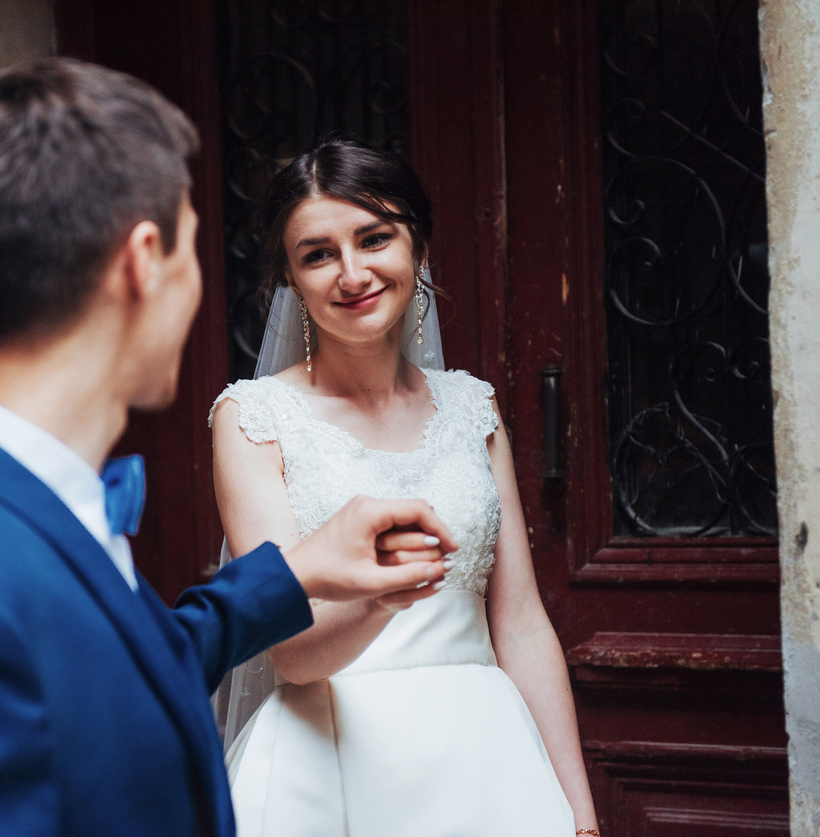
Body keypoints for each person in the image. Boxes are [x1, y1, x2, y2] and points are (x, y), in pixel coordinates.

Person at [0, 60, 460, 837]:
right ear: (144, 262)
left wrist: (297, 571)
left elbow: (117, 668)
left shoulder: (22, 500)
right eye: (192, 251)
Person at [211, 137, 602, 836]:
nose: (352, 272)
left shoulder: (472, 408)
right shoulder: (254, 419)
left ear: (417, 247)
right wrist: (382, 593)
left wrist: (578, 808)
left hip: (486, 763)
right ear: (292, 279)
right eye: (318, 253)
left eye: (374, 238)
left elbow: (518, 622)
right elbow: (290, 652)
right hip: (325, 763)